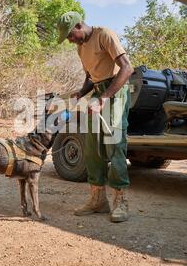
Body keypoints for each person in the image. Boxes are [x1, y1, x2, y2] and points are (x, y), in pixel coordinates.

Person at [56, 11, 134, 222]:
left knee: (114, 143)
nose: (70, 40)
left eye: (70, 35)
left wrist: (105, 98)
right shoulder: (81, 48)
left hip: (116, 91)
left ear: (79, 25)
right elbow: (91, 76)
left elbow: (127, 68)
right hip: (99, 92)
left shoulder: (104, 35)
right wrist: (81, 92)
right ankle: (98, 199)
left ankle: (120, 200)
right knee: (92, 145)